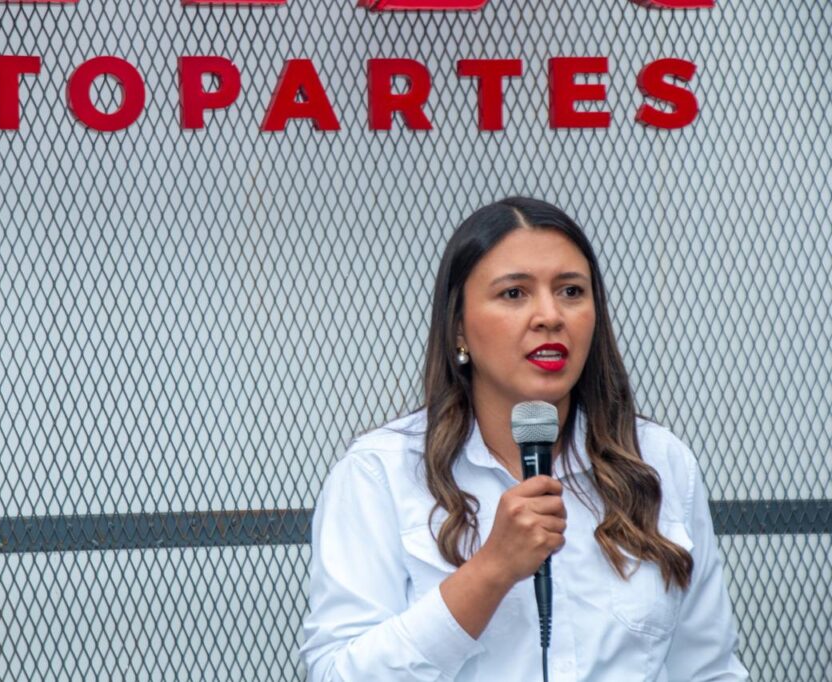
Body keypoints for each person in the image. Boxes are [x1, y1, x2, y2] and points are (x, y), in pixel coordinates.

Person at [299, 197, 749, 681]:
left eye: (571, 291)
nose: (550, 316)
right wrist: (491, 571)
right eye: (514, 293)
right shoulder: (381, 472)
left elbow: (709, 668)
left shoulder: (657, 459)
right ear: (457, 326)